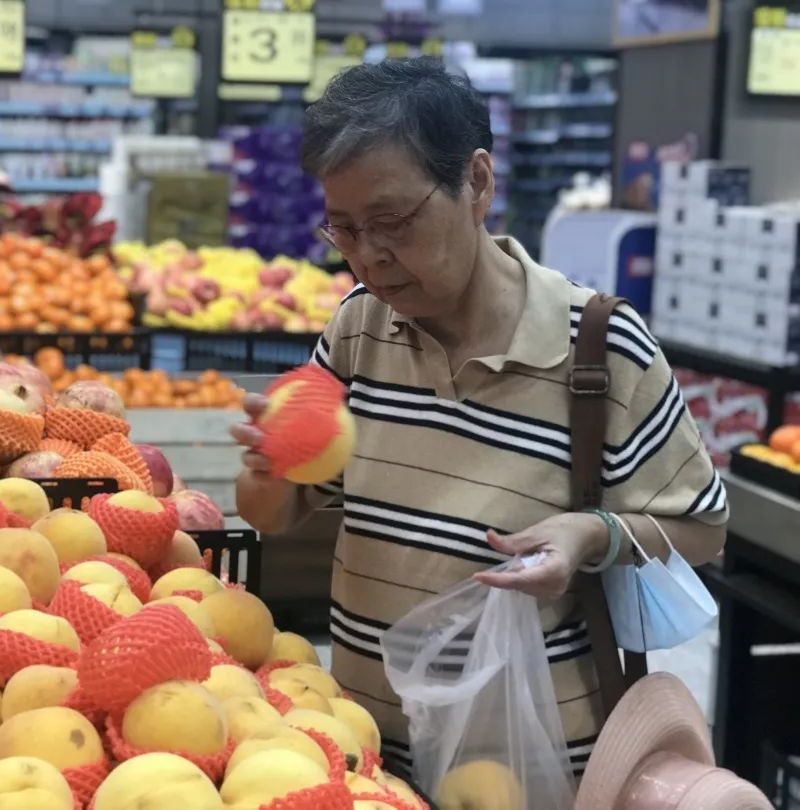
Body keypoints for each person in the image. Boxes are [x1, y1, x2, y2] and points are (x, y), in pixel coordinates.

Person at [232, 58, 727, 779]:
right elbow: (272, 515)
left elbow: (703, 525)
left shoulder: (600, 347)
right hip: (365, 751)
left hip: (525, 764)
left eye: (393, 221)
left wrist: (591, 534)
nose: (369, 257)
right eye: (343, 230)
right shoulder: (357, 329)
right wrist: (267, 463)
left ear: (478, 183)